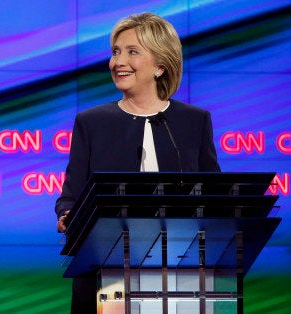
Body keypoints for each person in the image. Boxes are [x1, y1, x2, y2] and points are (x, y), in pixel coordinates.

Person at [54, 12, 220, 313]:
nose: (118, 62)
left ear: (160, 65)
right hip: (106, 274)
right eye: (115, 52)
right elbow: (70, 195)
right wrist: (67, 213)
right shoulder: (91, 122)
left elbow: (215, 196)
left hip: (179, 272)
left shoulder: (194, 121)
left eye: (132, 52)